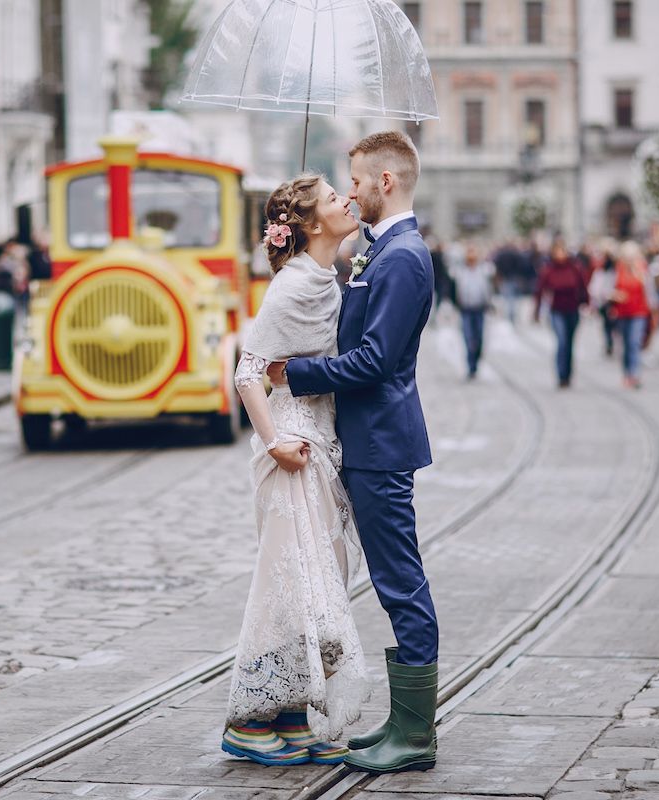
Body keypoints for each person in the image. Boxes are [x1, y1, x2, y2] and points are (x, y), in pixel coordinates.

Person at [270, 131, 439, 775]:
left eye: (359, 182)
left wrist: (297, 374)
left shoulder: (402, 257)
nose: (354, 192)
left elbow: (375, 360)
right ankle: (401, 721)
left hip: (382, 442)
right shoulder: (379, 251)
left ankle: (416, 734)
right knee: (394, 578)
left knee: (400, 580)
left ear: (386, 183)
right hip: (366, 440)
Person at [222, 175, 366, 768]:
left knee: (312, 583)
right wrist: (275, 440)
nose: (347, 202)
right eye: (335, 199)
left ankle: (289, 715)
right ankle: (248, 721)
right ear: (309, 225)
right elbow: (248, 369)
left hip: (320, 441)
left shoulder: (327, 277)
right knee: (286, 582)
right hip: (294, 448)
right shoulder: (293, 287)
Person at [534, 240, 589, 388]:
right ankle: (561, 374)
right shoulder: (548, 269)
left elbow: (583, 286)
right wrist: (537, 311)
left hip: (572, 309)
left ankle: (568, 373)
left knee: (570, 343)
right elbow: (540, 290)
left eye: (562, 251)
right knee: (562, 342)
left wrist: (586, 303)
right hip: (556, 310)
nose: (560, 255)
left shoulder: (575, 268)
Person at [612, 242, 657, 390]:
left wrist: (655, 310)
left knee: (634, 343)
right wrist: (615, 295)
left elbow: (650, 292)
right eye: (627, 257)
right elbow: (607, 288)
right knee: (624, 345)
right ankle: (626, 372)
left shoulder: (643, 270)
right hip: (622, 312)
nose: (630, 260)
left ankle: (634, 374)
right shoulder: (617, 270)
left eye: (632, 257)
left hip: (639, 312)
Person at [452, 242, 495, 379]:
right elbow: (454, 286)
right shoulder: (460, 270)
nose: (471, 256)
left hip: (480, 309)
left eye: (474, 252)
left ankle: (476, 359)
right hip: (465, 309)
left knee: (479, 338)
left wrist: (489, 303)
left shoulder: (484, 269)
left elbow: (489, 287)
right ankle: (471, 366)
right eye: (469, 252)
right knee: (468, 337)